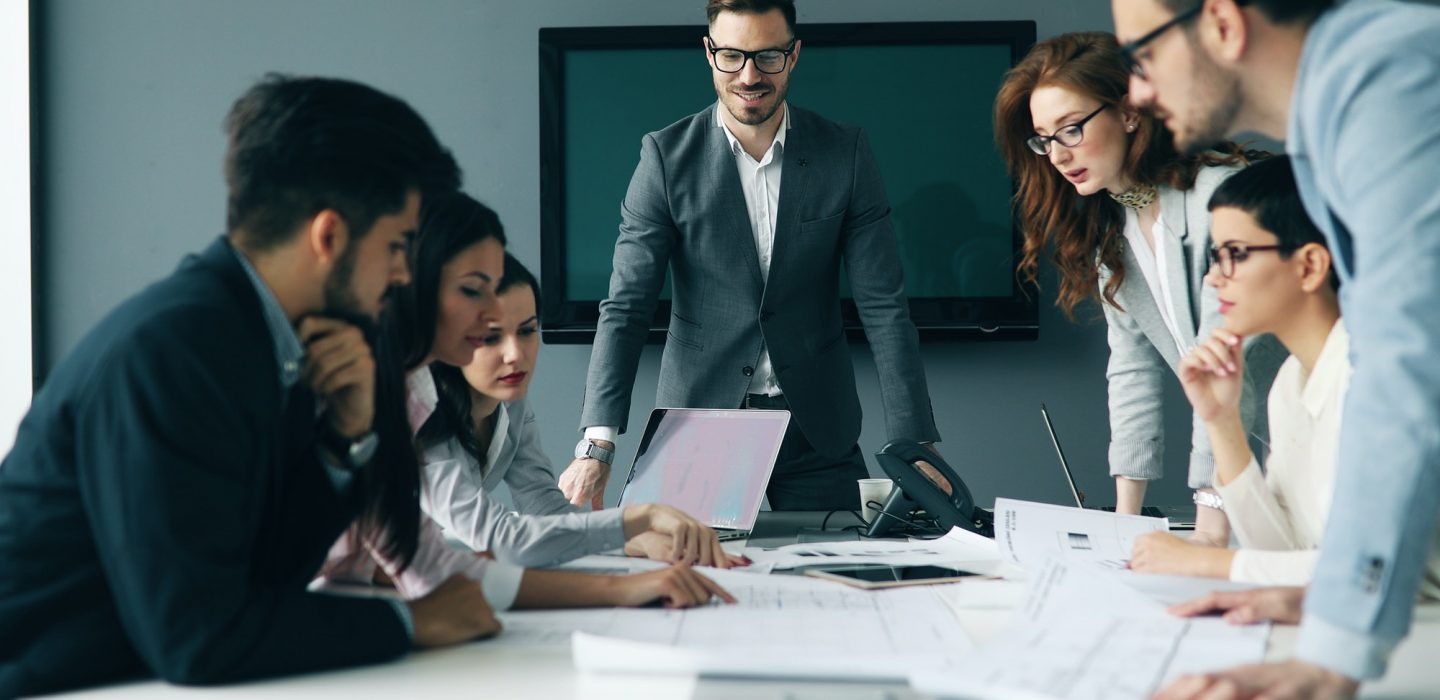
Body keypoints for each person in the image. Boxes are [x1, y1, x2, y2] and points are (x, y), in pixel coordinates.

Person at [0, 75, 498, 695]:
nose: (403, 274)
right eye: (398, 245)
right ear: (329, 236)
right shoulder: (175, 352)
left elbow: (263, 581)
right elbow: (199, 637)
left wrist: (342, 441)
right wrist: (407, 620)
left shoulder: (264, 338)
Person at [1109, 0, 1440, 697]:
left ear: (1223, 24)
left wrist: (1333, 652)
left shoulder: (1385, 81)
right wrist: (1314, 595)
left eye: (1141, 57)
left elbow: (1408, 359)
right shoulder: (1331, 131)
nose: (1136, 92)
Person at [561, 0, 943, 512]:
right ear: (708, 52)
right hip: (698, 426)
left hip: (817, 430)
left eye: (767, 57)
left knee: (846, 579)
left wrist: (915, 443)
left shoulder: (845, 153)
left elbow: (885, 308)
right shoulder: (664, 158)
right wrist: (598, 443)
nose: (749, 75)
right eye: (732, 56)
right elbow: (626, 307)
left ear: (794, 55)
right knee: (686, 584)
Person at [315, 195, 734, 610]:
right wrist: (636, 521)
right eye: (491, 334)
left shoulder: (507, 400)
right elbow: (497, 543)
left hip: (377, 586)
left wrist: (633, 544)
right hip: (335, 593)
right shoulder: (409, 406)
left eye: (528, 330)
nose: (514, 354)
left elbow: (542, 513)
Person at [993, 31, 1283, 534]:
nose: (1058, 155)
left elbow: (1227, 358)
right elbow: (1132, 372)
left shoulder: (1221, 195)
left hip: (1328, 431)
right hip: (1261, 451)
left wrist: (1210, 522)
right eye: (1045, 138)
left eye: (1072, 129)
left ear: (1129, 111)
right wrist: (1122, 528)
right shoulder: (1114, 228)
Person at [1130, 156, 1440, 591]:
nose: (1215, 278)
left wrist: (1205, 563)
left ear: (1310, 266)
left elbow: (1367, 571)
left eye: (1235, 255)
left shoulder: (1381, 379)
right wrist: (1223, 423)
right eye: (1215, 256)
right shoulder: (1290, 384)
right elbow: (1283, 554)